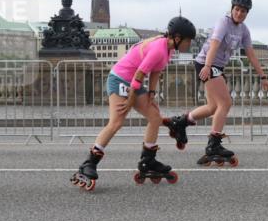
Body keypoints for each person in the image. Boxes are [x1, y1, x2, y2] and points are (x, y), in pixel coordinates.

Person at [71, 16, 197, 191]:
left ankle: (148, 161)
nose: (189, 44)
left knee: (154, 116)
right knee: (116, 122)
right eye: (188, 40)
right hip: (119, 79)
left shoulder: (168, 50)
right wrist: (130, 101)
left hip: (133, 83)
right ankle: (88, 164)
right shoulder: (158, 49)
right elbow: (139, 74)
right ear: (177, 38)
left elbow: (155, 71)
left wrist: (151, 93)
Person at [166, 0, 268, 166]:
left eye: (243, 11)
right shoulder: (224, 23)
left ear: (247, 14)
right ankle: (213, 145)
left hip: (216, 67)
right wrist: (207, 66)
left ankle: (181, 122)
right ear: (232, 9)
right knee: (226, 103)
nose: (239, 13)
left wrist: (263, 76)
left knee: (213, 106)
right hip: (207, 62)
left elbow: (251, 54)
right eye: (237, 9)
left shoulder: (244, 30)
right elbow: (214, 44)